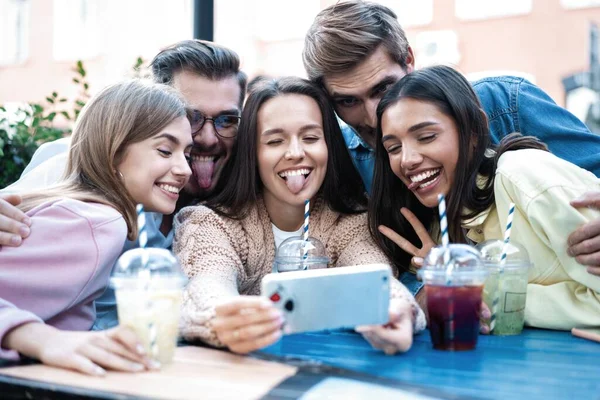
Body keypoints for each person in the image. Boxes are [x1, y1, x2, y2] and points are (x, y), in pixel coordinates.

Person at [302, 0, 600, 294]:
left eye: (383, 89)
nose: (373, 117)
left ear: (408, 59)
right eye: (348, 101)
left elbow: (591, 177)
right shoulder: (338, 160)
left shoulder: (504, 103)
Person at [0, 40, 247, 330]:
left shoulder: (234, 193)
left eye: (227, 119)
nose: (207, 137)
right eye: (191, 116)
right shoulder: (79, 170)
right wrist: (30, 337)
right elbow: (16, 221)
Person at [173, 77, 426, 355]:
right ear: (252, 152)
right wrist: (223, 317)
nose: (295, 153)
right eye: (275, 141)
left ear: (329, 146)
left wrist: (396, 309)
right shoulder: (211, 223)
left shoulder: (350, 221)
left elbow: (372, 274)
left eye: (310, 138)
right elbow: (209, 282)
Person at [370, 65, 600, 330]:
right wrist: (447, 280)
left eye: (426, 137)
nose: (407, 160)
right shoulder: (440, 226)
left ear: (474, 131)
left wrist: (485, 295)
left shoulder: (522, 175)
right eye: (393, 148)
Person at [0, 79, 193, 374]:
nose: (185, 169)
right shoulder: (99, 224)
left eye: (187, 154)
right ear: (114, 152)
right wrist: (41, 338)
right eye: (165, 151)